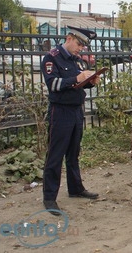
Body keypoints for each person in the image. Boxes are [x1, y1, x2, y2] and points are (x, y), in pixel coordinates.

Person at [41, 26, 100, 216]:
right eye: (79, 44)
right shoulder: (52, 57)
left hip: (76, 111)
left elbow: (78, 85)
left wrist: (90, 81)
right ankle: (49, 198)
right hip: (60, 111)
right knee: (55, 155)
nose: (81, 48)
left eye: (83, 46)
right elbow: (53, 84)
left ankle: (76, 189)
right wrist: (76, 77)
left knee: (74, 153)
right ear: (69, 38)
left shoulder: (77, 61)